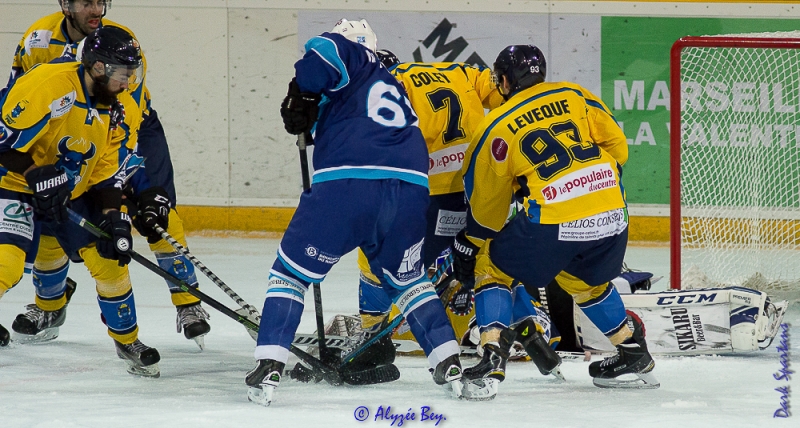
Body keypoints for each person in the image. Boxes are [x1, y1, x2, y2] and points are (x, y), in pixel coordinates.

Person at [245, 18, 494, 406]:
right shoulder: (393, 84)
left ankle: (268, 365)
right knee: (411, 282)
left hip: (349, 187)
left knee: (289, 275)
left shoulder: (355, 57)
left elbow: (323, 53)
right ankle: (448, 361)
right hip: (412, 192)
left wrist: (301, 92)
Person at [454, 44, 659, 393]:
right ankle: (632, 350)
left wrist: (468, 241)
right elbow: (617, 146)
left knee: (491, 265)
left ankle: (491, 356)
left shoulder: (497, 124)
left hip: (555, 220)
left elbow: (486, 211)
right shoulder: (574, 94)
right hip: (613, 214)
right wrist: (591, 187)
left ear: (503, 81)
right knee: (583, 280)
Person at [5, 0, 210, 349]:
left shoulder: (123, 49)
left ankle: (189, 304)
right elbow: (13, 105)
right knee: (50, 222)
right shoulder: (38, 40)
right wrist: (35, 169)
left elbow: (130, 109)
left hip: (121, 128)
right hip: (51, 138)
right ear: (66, 5)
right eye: (87, 1)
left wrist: (134, 190)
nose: (96, 8)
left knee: (157, 211)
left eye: (101, 0)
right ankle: (49, 306)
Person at [0, 26, 160, 377]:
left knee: (111, 262)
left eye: (132, 74)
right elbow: (2, 143)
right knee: (5, 266)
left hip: (71, 188)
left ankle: (128, 340)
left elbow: (106, 169)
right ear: (98, 67)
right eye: (122, 73)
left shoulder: (120, 105)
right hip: (13, 183)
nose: (128, 82)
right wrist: (33, 172)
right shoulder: (48, 84)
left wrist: (112, 214)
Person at [349, 50, 505, 369]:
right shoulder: (459, 72)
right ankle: (494, 338)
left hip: (430, 198)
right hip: (480, 192)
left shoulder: (387, 84)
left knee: (376, 256)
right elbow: (503, 95)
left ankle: (373, 337)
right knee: (486, 265)